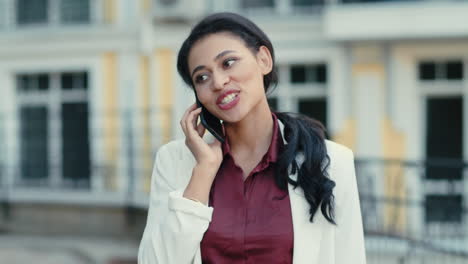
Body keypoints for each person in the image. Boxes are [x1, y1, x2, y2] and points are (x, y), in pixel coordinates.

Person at [138, 12, 366, 264]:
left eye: (228, 63)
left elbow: (349, 256)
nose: (219, 82)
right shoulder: (174, 161)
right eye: (202, 77)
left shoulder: (331, 161)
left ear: (264, 60)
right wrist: (203, 172)